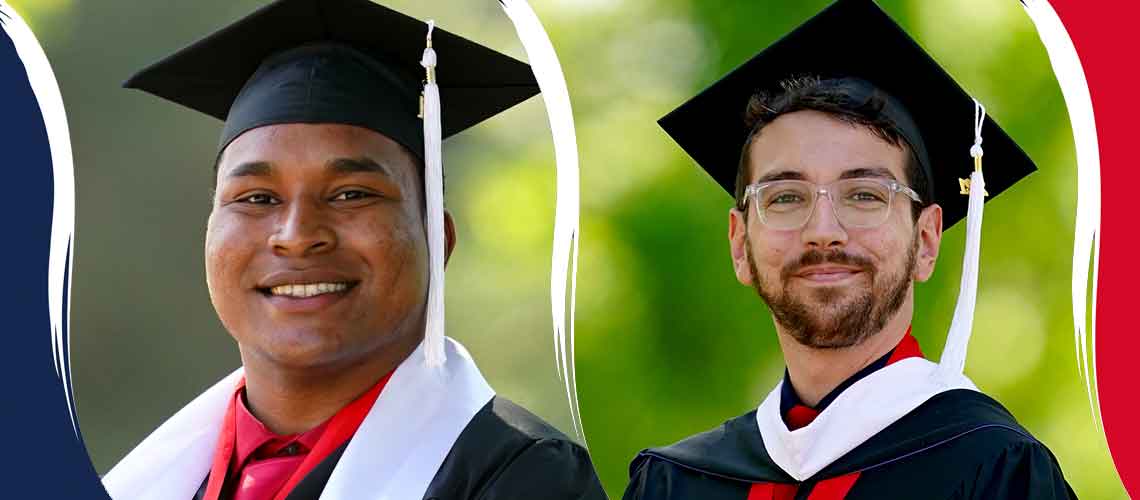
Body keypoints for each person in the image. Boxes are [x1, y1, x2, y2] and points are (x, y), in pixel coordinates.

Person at [100, 0, 605, 499]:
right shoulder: (156, 479)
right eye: (256, 198)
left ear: (439, 240)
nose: (297, 234)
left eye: (351, 195)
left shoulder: (519, 478)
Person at [623, 0, 1074, 498]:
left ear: (926, 241)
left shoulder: (995, 470)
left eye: (864, 196)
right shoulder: (676, 483)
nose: (823, 230)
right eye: (785, 197)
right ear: (739, 243)